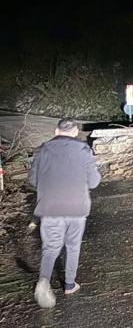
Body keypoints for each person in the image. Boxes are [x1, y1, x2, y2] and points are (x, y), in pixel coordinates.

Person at [28, 118, 101, 308]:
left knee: (51, 247)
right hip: (76, 208)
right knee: (73, 246)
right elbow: (94, 182)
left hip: (50, 208)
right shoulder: (84, 151)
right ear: (76, 132)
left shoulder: (42, 150)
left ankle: (44, 280)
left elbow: (33, 180)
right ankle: (69, 284)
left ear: (56, 131)